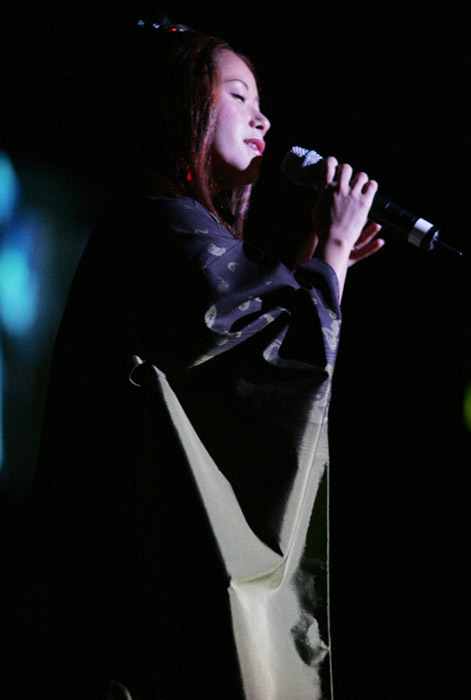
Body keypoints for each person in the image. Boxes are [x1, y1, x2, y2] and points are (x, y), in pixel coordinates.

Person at [30, 16, 383, 700]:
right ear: (185, 106)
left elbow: (246, 356)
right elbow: (268, 357)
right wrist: (331, 256)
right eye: (239, 95)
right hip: (140, 576)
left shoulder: (173, 226)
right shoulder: (161, 220)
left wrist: (319, 261)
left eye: (261, 101)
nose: (263, 118)